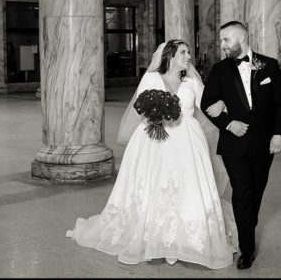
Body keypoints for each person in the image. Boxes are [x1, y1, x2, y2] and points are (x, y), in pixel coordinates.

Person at [66, 39, 238, 269]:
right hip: (153, 139)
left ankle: (185, 238)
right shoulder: (151, 79)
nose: (188, 56)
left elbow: (208, 106)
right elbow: (140, 109)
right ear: (169, 56)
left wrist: (224, 108)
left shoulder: (192, 82)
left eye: (188, 52)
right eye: (183, 52)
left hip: (187, 141)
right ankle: (151, 235)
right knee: (152, 184)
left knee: (187, 186)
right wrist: (155, 115)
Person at [200, 21, 281, 269]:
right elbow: (206, 102)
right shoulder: (220, 70)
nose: (222, 45)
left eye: (226, 39)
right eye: (221, 40)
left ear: (243, 36)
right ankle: (246, 249)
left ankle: (247, 227)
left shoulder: (268, 65)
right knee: (242, 193)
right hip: (234, 145)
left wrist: (278, 134)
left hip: (264, 143)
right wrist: (228, 123)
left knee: (257, 191)